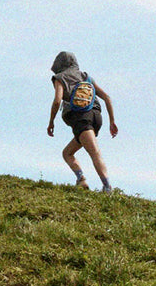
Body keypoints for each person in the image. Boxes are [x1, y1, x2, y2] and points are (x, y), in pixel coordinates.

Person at [47, 51, 118, 192]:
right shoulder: (85, 76)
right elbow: (107, 97)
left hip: (81, 119)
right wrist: (112, 121)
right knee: (67, 153)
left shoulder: (60, 77)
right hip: (96, 117)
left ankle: (107, 187)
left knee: (94, 153)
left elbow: (57, 101)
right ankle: (81, 180)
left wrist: (51, 122)